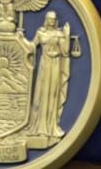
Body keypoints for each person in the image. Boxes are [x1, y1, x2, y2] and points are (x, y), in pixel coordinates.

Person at [27, 11, 72, 144]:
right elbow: (31, 46)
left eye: (53, 19)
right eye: (49, 19)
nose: (51, 21)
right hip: (44, 64)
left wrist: (67, 36)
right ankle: (40, 126)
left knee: (52, 93)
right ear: (46, 20)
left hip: (55, 64)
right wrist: (20, 37)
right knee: (43, 93)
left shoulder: (59, 34)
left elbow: (65, 51)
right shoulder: (41, 32)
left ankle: (51, 126)